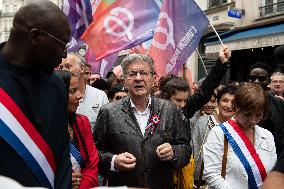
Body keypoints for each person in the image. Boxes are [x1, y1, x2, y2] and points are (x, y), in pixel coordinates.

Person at [0, 1, 71, 188]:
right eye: (62, 44)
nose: (64, 54)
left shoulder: (57, 85)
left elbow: (62, 154)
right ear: (35, 38)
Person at [93, 54, 190, 188]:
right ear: (125, 80)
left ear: (153, 79)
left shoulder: (169, 109)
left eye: (144, 73)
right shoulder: (108, 112)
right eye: (132, 74)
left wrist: (174, 152)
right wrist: (113, 161)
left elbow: (185, 149)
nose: (138, 78)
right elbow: (94, 153)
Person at [203, 83, 277, 189]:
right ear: (236, 107)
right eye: (247, 114)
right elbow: (211, 175)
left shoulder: (267, 136)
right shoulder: (219, 133)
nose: (252, 120)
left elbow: (272, 172)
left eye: (258, 115)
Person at [56, 70, 99, 189]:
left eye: (78, 89)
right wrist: (62, 180)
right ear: (58, 95)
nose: (80, 95)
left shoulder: (82, 122)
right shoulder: (43, 128)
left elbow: (92, 165)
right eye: (73, 91)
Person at [192, 84, 237, 185]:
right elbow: (195, 149)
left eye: (233, 102)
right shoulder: (203, 122)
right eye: (225, 100)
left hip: (231, 181)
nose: (228, 105)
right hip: (203, 180)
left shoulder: (241, 127)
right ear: (218, 102)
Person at [60, 53, 109, 131]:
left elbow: (106, 129)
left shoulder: (100, 96)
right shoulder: (58, 95)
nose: (63, 70)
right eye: (61, 67)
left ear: (82, 69)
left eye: (68, 66)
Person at [248, 61, 284, 155]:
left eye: (261, 78)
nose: (256, 81)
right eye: (252, 78)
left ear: (268, 81)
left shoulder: (277, 102)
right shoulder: (239, 101)